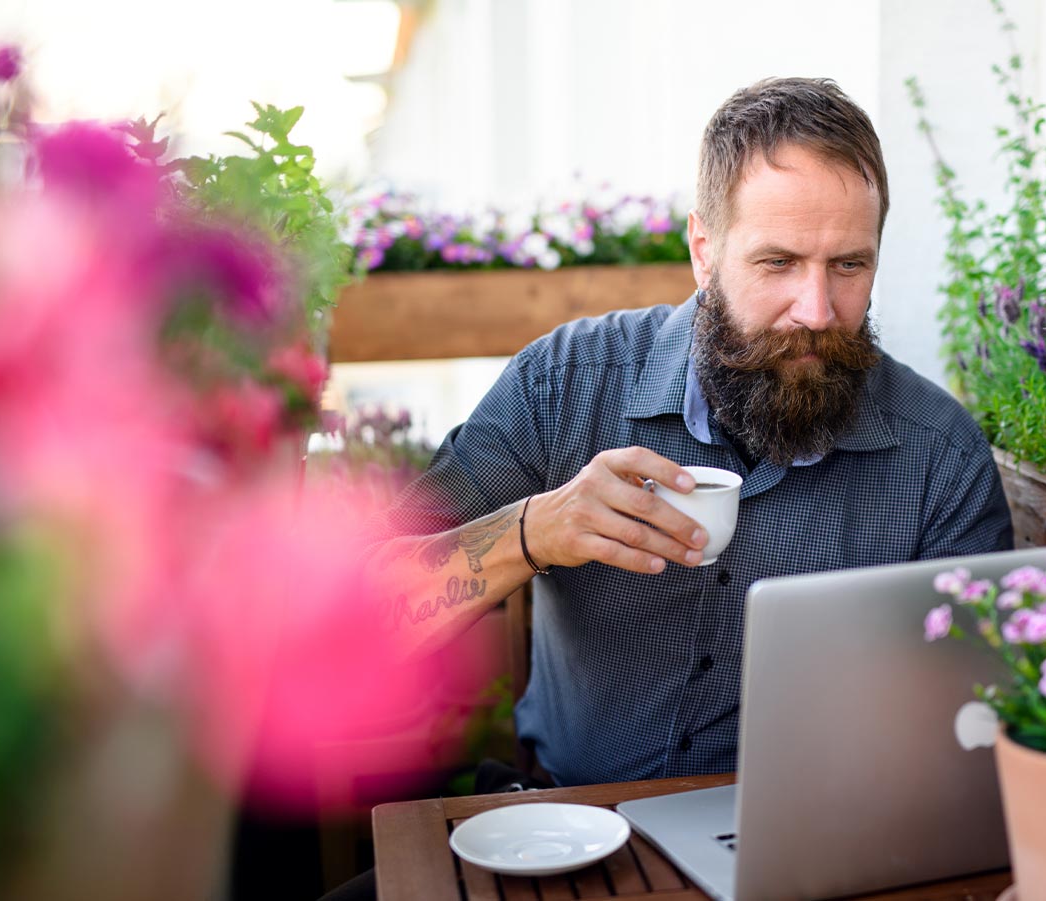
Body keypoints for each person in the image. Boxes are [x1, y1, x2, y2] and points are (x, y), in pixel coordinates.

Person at [368, 76, 1013, 789]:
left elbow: (977, 728)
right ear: (704, 251)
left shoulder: (939, 457)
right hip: (572, 822)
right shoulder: (564, 384)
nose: (817, 309)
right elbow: (357, 626)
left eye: (849, 265)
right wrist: (533, 531)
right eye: (778, 262)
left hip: (817, 828)